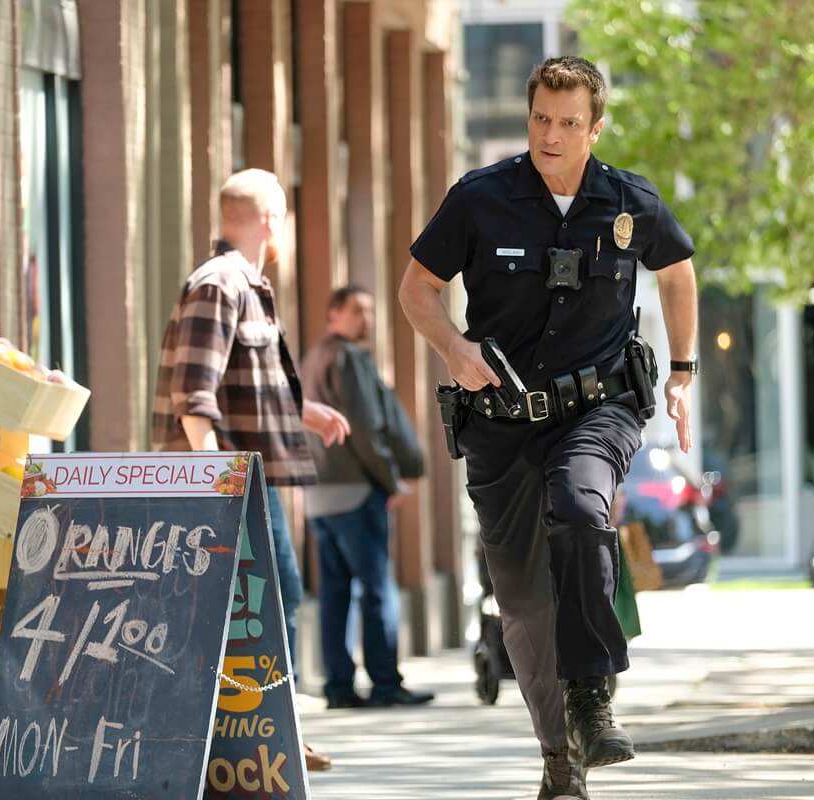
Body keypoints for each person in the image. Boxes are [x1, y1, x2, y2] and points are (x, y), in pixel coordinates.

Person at [398, 56, 698, 799]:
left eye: (569, 123)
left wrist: (684, 372)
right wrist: (453, 346)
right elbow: (417, 289)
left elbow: (680, 271)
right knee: (525, 607)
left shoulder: (628, 201)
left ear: (595, 127)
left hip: (600, 407)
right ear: (528, 116)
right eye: (541, 119)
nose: (551, 135)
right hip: (500, 424)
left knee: (581, 504)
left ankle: (594, 702)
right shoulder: (480, 198)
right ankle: (559, 757)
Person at [151, 168, 350, 773]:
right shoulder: (220, 284)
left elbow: (244, 384)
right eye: (283, 217)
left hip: (241, 476)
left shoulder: (247, 285)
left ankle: (266, 735)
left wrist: (302, 411)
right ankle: (265, 739)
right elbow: (194, 392)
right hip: (222, 482)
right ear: (270, 220)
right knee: (266, 598)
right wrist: (216, 484)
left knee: (250, 606)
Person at [300, 286, 436, 710]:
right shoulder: (348, 359)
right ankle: (384, 684)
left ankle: (339, 687)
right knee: (377, 589)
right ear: (333, 315)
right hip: (357, 491)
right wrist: (391, 480)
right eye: (357, 310)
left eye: (370, 310)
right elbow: (364, 427)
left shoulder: (310, 359)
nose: (367, 319)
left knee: (335, 593)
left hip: (319, 494)